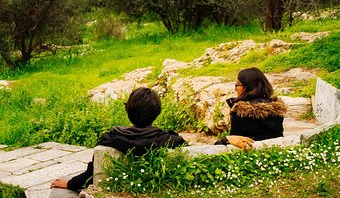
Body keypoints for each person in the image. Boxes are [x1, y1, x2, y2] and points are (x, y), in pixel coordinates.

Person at [51, 87, 186, 195]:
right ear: (157, 112)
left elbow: (92, 175)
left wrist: (69, 184)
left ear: (128, 110)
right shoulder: (171, 140)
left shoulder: (109, 138)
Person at [215, 67, 286, 148]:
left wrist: (224, 140)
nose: (235, 89)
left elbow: (235, 143)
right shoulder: (276, 110)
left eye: (237, 85)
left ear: (247, 87)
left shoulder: (242, 113)